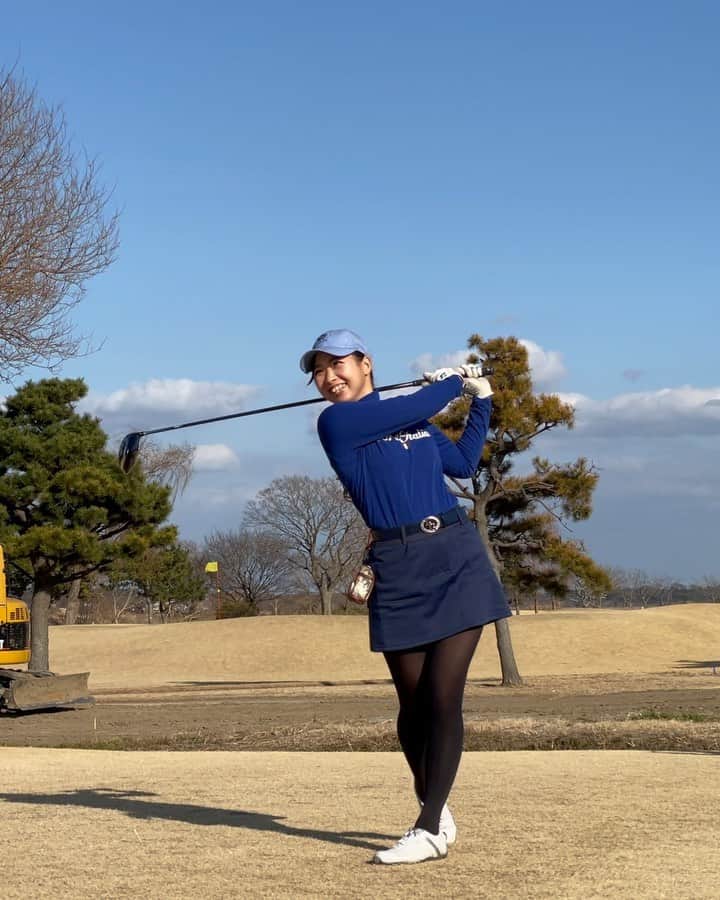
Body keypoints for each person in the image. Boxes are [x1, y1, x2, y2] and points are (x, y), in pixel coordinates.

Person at [299, 328, 512, 865]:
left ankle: (428, 826)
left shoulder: (411, 420)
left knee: (443, 696)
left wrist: (480, 401)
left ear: (366, 363)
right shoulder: (338, 423)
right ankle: (435, 805)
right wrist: (453, 384)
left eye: (337, 364)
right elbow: (423, 401)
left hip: (455, 557)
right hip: (396, 566)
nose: (329, 378)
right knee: (412, 705)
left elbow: (463, 464)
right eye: (319, 371)